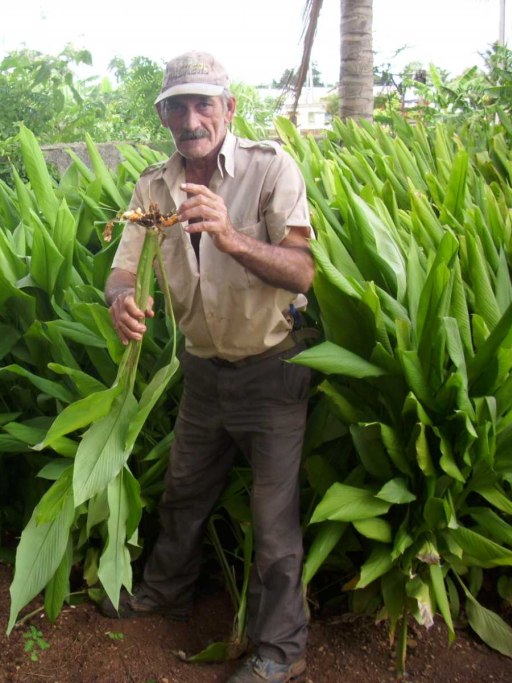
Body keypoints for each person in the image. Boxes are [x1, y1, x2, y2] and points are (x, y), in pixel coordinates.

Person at [101, 51, 314, 683]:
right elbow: (123, 266)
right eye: (177, 105)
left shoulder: (269, 169)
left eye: (204, 103)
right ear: (164, 114)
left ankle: (281, 650)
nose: (191, 118)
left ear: (229, 108)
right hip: (201, 372)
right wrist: (119, 301)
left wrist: (230, 237)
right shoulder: (152, 185)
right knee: (184, 494)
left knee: (274, 520)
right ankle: (166, 592)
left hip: (271, 370)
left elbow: (302, 270)